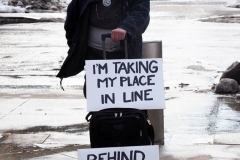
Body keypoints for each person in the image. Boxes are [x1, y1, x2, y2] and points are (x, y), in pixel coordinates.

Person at [56, 0, 150, 97]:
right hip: (93, 54)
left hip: (127, 52)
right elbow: (71, 22)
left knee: (130, 94)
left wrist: (126, 28)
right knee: (93, 94)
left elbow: (141, 13)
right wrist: (77, 48)